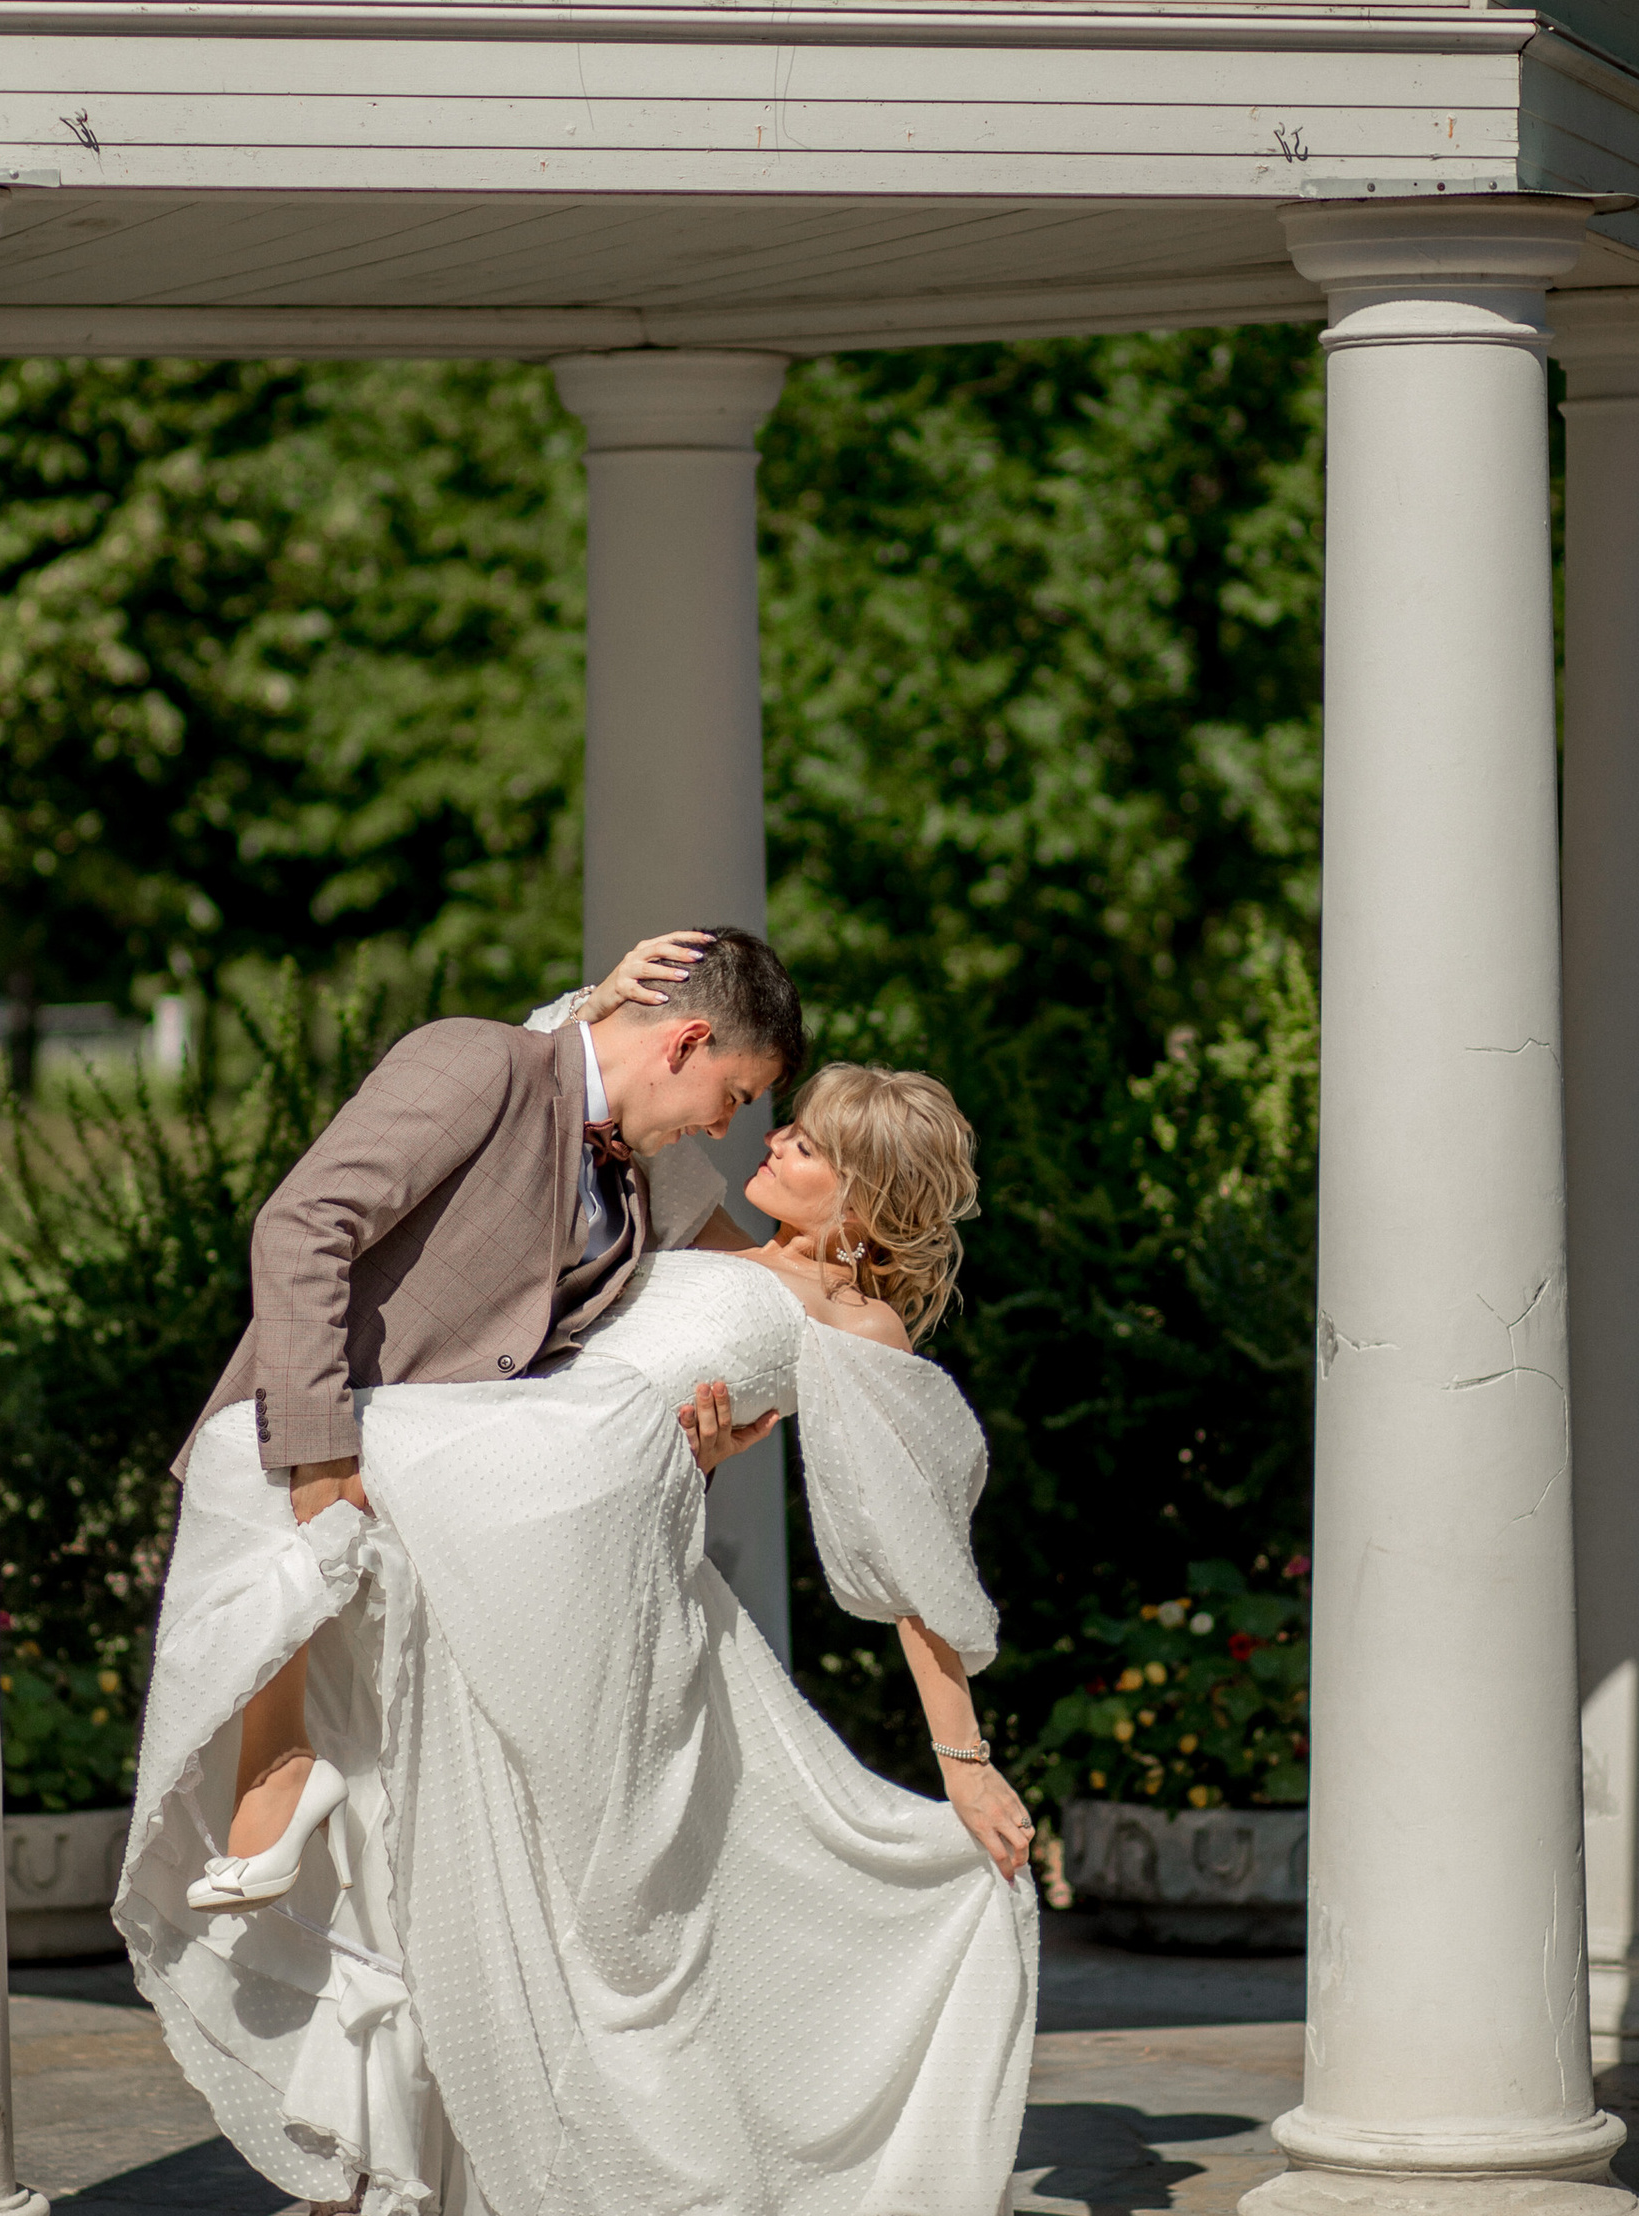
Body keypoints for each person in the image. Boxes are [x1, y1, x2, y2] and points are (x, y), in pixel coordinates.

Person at [117, 965, 1039, 2216]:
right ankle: (396, 2140)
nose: (767, 1136)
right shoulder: (700, 1224)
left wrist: (964, 1751)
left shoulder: (858, 1329)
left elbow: (908, 1554)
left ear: (867, 1202)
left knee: (261, 1456)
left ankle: (592, 2161)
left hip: (583, 1512)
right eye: (775, 1108)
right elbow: (573, 1086)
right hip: (533, 1467)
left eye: (808, 1142)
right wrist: (598, 990)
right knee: (415, 1804)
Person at [172, 927, 802, 1881]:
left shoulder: (632, 1192)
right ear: (684, 1043)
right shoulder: (481, 1061)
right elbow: (303, 1226)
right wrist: (318, 1455)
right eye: (736, 1096)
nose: (723, 1128)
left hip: (447, 1547)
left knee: (398, 1873)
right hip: (319, 1495)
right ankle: (281, 1769)